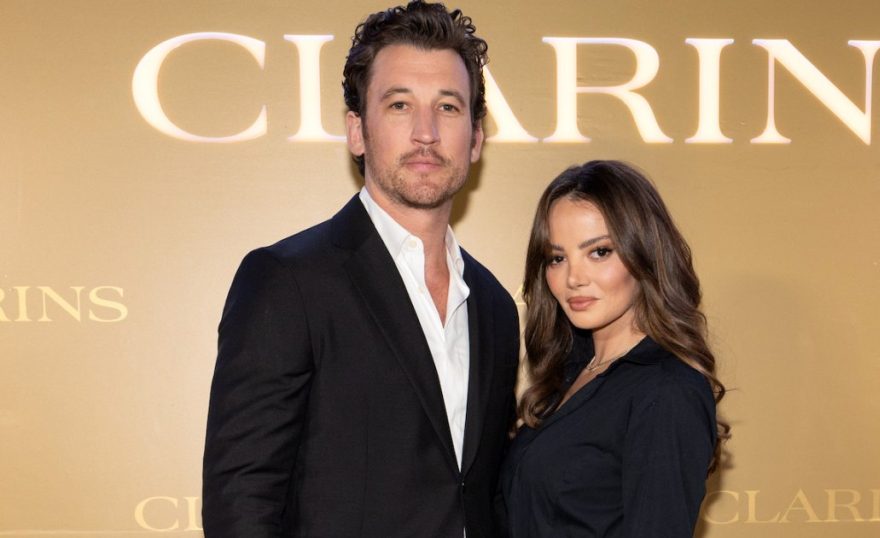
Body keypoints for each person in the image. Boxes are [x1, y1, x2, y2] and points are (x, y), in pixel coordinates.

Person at [202, 2, 520, 537]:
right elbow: (242, 501)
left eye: (447, 107)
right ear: (357, 131)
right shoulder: (288, 281)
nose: (425, 132)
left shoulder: (494, 306)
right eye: (399, 105)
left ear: (476, 139)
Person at [501, 160, 729, 537]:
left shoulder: (666, 391)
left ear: (644, 253)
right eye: (557, 258)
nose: (573, 278)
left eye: (599, 252)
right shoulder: (571, 372)